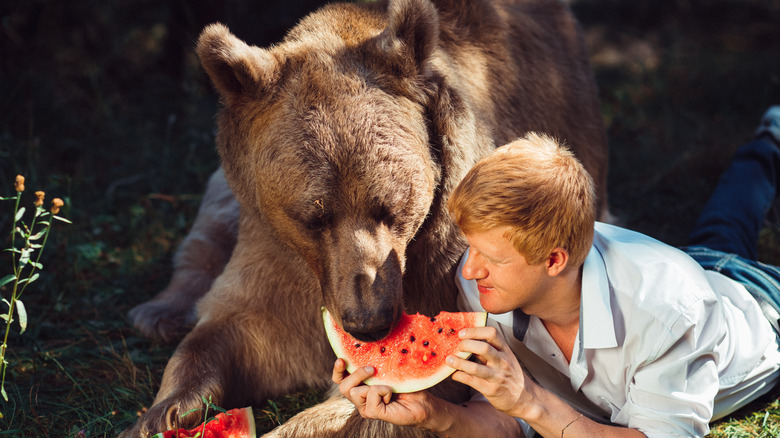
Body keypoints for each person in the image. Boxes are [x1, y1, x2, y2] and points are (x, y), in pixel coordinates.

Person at [332, 106, 780, 437]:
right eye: (470, 248)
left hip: (757, 305)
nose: (468, 270)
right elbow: (507, 422)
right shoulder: (485, 291)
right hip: (684, 269)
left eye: (492, 257)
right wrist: (434, 414)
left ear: (553, 260)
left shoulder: (666, 313)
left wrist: (531, 400)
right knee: (726, 220)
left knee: (729, 224)